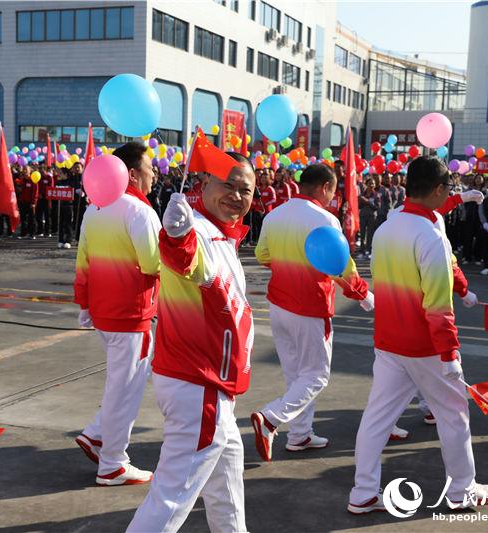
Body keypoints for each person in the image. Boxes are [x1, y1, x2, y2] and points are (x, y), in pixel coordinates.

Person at [349, 156, 488, 514]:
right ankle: (462, 491)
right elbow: (437, 307)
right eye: (448, 189)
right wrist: (449, 355)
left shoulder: (389, 227)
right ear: (437, 189)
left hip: (388, 341)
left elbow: (433, 211)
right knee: (453, 415)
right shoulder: (431, 237)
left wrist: (460, 200)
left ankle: (363, 491)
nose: (451, 195)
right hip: (427, 347)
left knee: (377, 418)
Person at [127, 152, 254, 532]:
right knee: (171, 498)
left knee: (226, 480)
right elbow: (186, 259)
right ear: (203, 185)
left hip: (206, 383)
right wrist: (176, 235)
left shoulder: (220, 234)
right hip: (199, 383)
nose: (235, 195)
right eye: (227, 185)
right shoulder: (198, 231)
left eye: (244, 189)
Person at [250, 164, 372, 461]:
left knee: (297, 375)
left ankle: (300, 435)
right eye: (333, 190)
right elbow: (343, 267)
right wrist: (364, 295)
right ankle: (271, 418)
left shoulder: (275, 214)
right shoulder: (326, 220)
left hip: (279, 304)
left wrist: (287, 265)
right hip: (310, 306)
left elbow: (261, 255)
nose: (334, 196)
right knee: (316, 375)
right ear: (324, 187)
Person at [73, 142, 161, 486]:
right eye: (150, 168)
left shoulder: (94, 209)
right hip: (131, 314)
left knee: (119, 383)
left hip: (104, 313)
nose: (155, 175)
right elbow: (155, 264)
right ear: (134, 174)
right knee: (125, 389)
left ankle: (96, 435)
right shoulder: (139, 212)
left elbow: (82, 262)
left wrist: (84, 304)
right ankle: (112, 463)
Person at [357, 178, 379, 257]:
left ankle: (369, 250)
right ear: (366, 184)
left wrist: (367, 201)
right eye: (370, 183)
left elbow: (377, 207)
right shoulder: (362, 194)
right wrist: (361, 201)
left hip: (372, 217)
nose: (371, 185)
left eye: (373, 183)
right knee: (362, 234)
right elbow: (359, 206)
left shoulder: (376, 195)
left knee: (370, 234)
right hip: (363, 216)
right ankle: (362, 250)